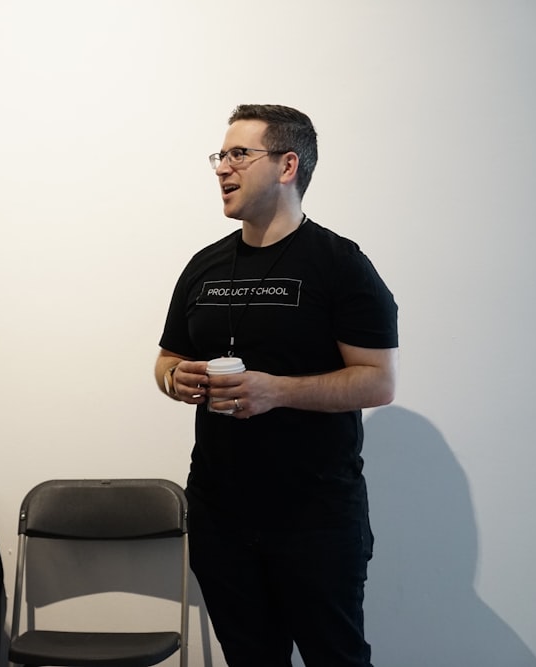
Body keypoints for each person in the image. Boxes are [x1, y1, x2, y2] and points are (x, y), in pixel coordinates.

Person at [155, 104, 398, 667]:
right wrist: (174, 377)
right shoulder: (204, 266)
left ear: (288, 165)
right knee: (249, 658)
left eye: (239, 154)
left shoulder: (339, 264)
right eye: (220, 155)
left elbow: (379, 381)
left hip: (314, 516)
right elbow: (167, 357)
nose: (222, 168)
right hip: (221, 513)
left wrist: (278, 391)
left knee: (334, 656)